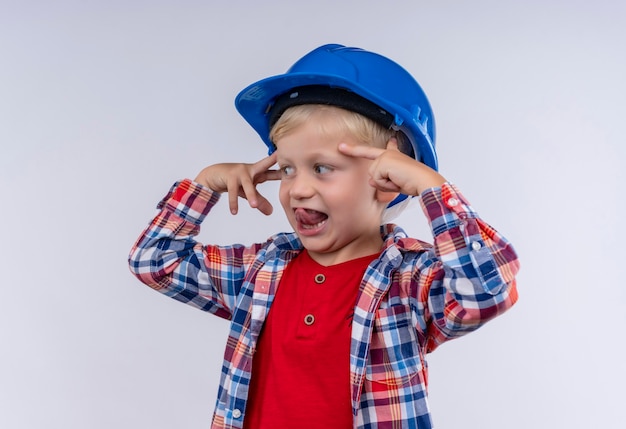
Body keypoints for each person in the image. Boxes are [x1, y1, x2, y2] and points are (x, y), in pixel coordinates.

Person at [128, 43, 519, 429]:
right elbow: (154, 261)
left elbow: (486, 291)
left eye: (321, 168)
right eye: (286, 169)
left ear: (388, 180)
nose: (296, 189)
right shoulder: (263, 271)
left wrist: (434, 190)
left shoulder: (410, 281)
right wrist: (203, 187)